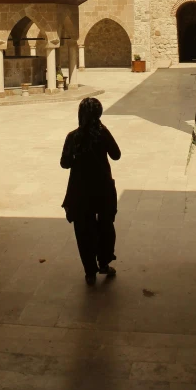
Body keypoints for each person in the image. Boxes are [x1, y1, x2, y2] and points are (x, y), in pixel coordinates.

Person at [60, 97, 121, 285]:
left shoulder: (73, 137)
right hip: (102, 188)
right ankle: (104, 263)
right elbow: (116, 155)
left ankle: (89, 271)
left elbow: (64, 163)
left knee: (83, 230)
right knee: (105, 226)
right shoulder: (102, 133)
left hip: (80, 191)